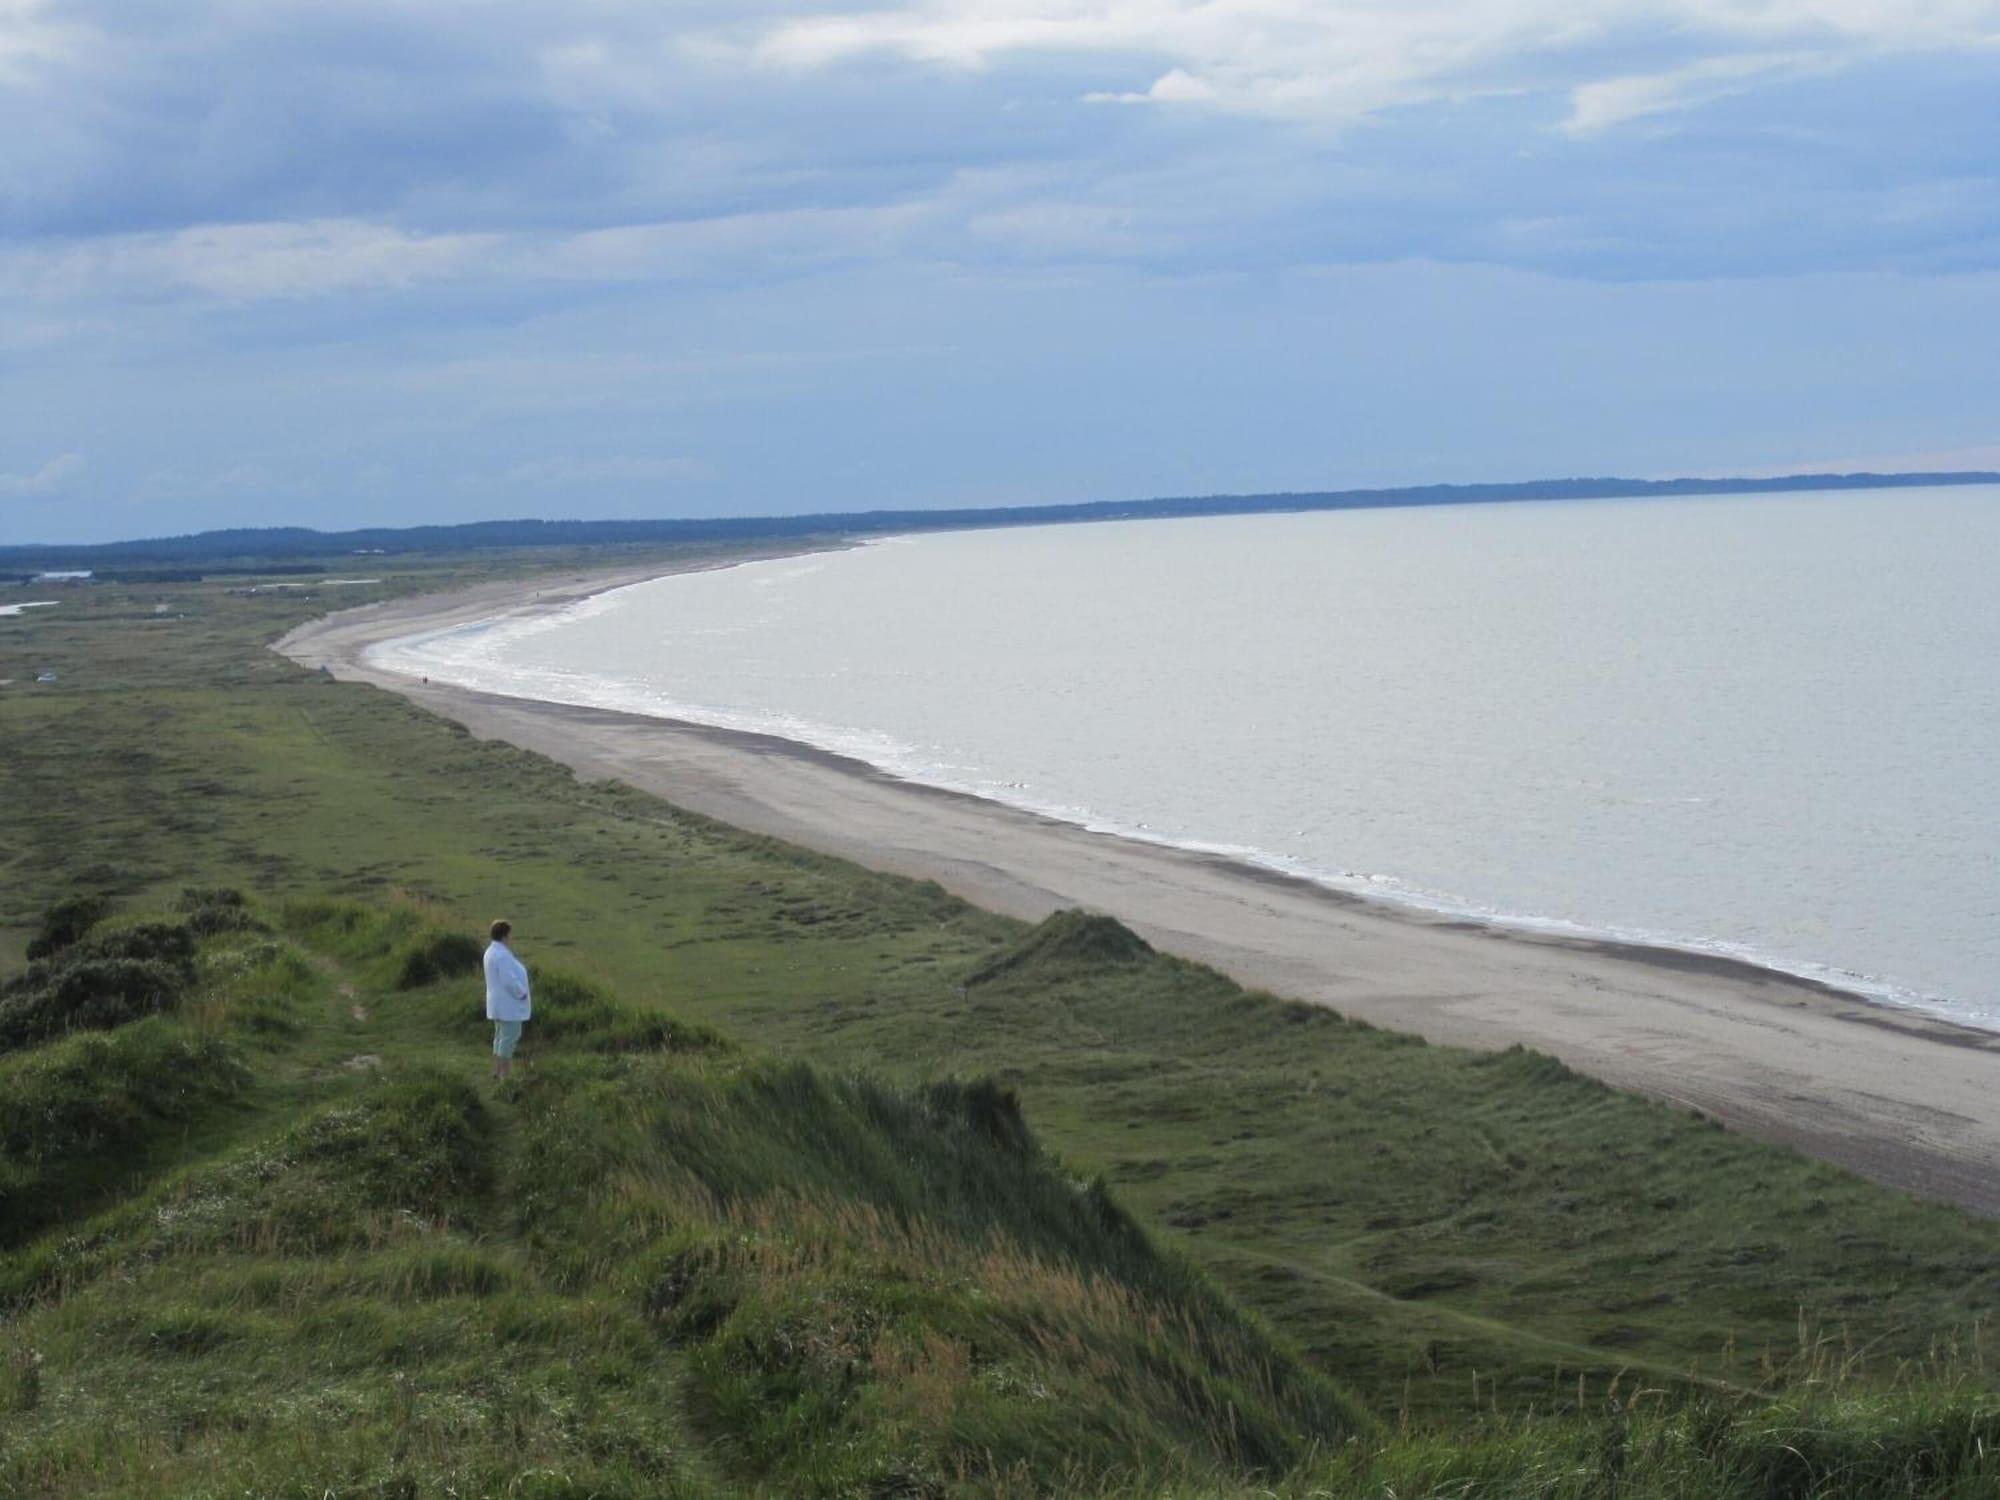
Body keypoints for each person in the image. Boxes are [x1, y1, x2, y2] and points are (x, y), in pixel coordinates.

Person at [483, 919, 531, 1080]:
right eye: (510, 934)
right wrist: (522, 993)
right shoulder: (502, 955)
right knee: (510, 1037)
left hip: (497, 1003)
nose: (511, 937)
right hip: (507, 1004)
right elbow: (508, 980)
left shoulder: (491, 951)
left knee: (500, 1036)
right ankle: (505, 1075)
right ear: (504, 936)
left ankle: (498, 1071)